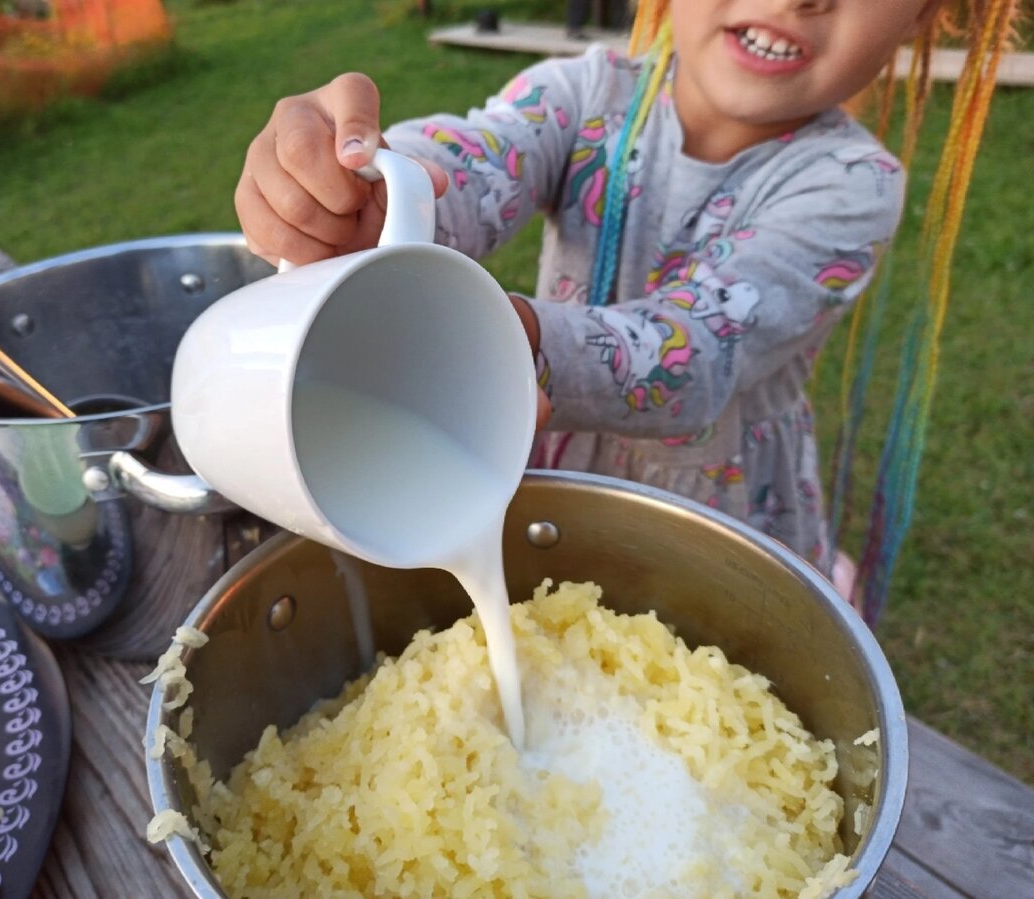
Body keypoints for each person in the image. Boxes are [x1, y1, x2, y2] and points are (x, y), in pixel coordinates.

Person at [231, 0, 992, 600]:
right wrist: (372, 190)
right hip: (552, 467)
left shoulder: (850, 185)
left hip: (716, 513)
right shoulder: (584, 94)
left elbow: (695, 351)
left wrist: (499, 340)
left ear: (927, 14)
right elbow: (478, 158)